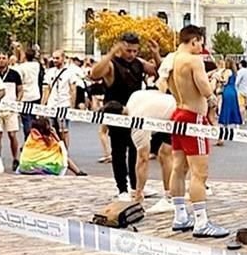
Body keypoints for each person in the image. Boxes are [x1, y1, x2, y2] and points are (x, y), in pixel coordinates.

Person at [166, 25, 228, 238]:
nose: (201, 47)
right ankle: (201, 221)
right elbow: (202, 84)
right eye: (200, 42)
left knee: (178, 167)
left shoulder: (172, 59)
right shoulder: (194, 60)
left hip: (178, 113)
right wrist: (212, 102)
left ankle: (180, 215)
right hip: (194, 118)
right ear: (193, 41)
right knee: (199, 173)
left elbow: (163, 83)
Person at [90, 34, 160, 200]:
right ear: (121, 47)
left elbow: (158, 71)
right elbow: (95, 73)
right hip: (115, 111)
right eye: (128, 50)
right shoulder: (113, 64)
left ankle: (136, 186)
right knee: (119, 151)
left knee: (136, 149)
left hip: (135, 111)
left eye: (135, 51)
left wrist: (156, 54)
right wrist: (111, 53)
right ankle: (122, 188)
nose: (132, 54)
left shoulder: (138, 63)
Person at [125, 79, 178, 213]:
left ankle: (169, 197)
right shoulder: (134, 96)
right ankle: (171, 195)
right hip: (176, 104)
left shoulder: (136, 123)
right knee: (165, 153)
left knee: (166, 154)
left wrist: (138, 193)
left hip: (177, 113)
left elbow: (143, 159)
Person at [17, 117, 87, 176]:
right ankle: (78, 172)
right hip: (45, 169)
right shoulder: (50, 140)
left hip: (25, 168)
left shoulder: (31, 138)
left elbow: (23, 149)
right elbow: (63, 151)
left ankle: (78, 172)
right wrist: (56, 136)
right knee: (63, 157)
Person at [0, 50, 22, 171]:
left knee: (12, 134)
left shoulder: (14, 74)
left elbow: (20, 89)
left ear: (8, 59)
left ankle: (15, 158)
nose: (1, 60)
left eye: (4, 58)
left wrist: (18, 102)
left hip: (11, 108)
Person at [42, 50, 77, 147]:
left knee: (63, 130)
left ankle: (65, 151)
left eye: (57, 58)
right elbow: (46, 90)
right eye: (53, 58)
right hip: (51, 105)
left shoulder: (70, 72)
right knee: (51, 130)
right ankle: (55, 150)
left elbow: (73, 89)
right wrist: (42, 105)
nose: (55, 60)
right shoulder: (49, 72)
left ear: (63, 58)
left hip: (64, 105)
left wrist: (72, 106)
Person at [12, 46, 41, 139]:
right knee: (33, 117)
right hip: (35, 94)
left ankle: (28, 137)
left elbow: (18, 78)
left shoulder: (21, 68)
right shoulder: (36, 66)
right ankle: (34, 136)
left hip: (25, 95)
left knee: (26, 119)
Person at [216, 58, 243, 139]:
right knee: (234, 108)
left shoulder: (227, 71)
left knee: (226, 108)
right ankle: (236, 123)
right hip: (233, 90)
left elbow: (225, 81)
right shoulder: (235, 72)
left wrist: (218, 78)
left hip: (227, 90)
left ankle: (225, 124)